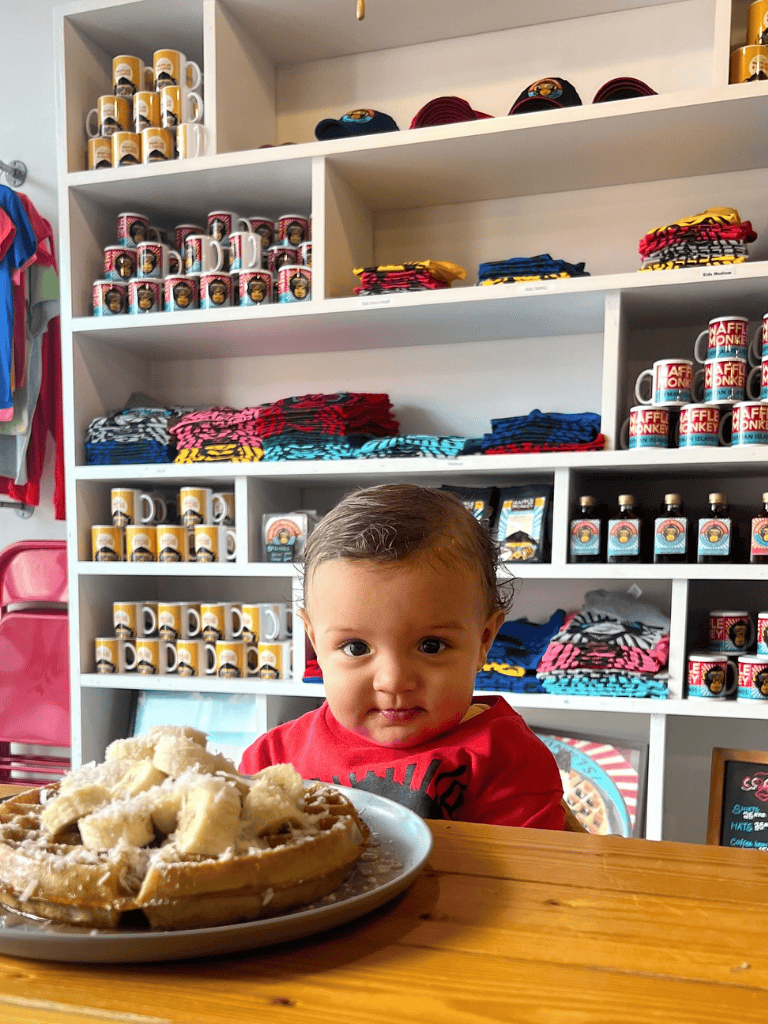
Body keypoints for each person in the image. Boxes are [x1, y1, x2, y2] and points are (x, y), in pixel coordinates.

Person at [240, 483, 565, 829]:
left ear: (483, 640)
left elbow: (533, 877)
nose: (393, 680)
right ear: (314, 641)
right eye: (356, 648)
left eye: (431, 646)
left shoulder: (506, 760)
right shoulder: (271, 760)